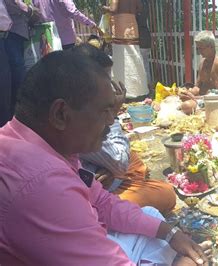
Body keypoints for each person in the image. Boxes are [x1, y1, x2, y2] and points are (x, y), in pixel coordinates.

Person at [0, 51, 207, 265]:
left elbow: (101, 202)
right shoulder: (42, 186)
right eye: (105, 111)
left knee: (151, 217)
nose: (111, 121)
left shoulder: (36, 143)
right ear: (61, 114)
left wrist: (170, 233)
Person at [73, 44, 176, 213]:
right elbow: (119, 162)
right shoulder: (80, 115)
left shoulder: (79, 105)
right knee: (166, 193)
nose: (110, 87)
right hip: (87, 201)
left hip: (95, 174)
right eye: (106, 80)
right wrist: (112, 114)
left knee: (132, 158)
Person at [103, 0, 148, 100]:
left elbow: (113, 9)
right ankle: (138, 89)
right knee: (134, 56)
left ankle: (122, 90)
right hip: (132, 24)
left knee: (120, 60)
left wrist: (104, 8)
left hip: (120, 25)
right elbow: (140, 7)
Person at [32, 0, 98, 50]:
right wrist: (91, 24)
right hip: (66, 41)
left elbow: (36, 14)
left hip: (48, 41)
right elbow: (73, 12)